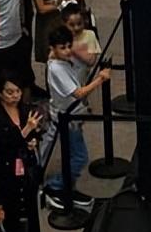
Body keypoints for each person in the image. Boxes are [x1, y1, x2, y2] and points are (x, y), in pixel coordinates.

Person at [42, 25, 106, 209]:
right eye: (62, 48)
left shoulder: (57, 60)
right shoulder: (57, 69)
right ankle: (56, 185)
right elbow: (78, 93)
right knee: (80, 157)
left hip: (72, 115)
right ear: (53, 48)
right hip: (67, 118)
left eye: (69, 46)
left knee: (73, 153)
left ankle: (65, 184)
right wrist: (100, 79)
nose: (68, 51)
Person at [0, 70, 44, 232]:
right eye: (9, 92)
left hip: (25, 168)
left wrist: (33, 140)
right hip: (6, 172)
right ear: (0, 93)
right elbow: (4, 144)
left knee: (29, 211)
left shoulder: (25, 109)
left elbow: (34, 133)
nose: (15, 96)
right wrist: (26, 130)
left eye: (17, 91)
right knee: (11, 215)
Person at [60, 1, 98, 80]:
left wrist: (75, 49)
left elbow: (91, 61)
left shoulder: (89, 35)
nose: (76, 28)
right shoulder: (60, 37)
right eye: (72, 25)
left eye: (79, 23)